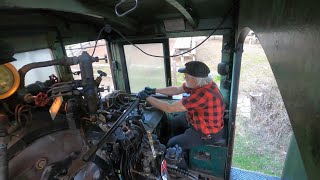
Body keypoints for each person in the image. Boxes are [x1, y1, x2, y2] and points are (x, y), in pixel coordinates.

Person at [137, 61, 225, 150]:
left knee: (172, 144)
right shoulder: (202, 83)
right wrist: (154, 90)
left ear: (195, 79)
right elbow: (177, 90)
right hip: (198, 119)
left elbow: (169, 108)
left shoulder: (203, 94)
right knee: (176, 121)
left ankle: (179, 158)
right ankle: (178, 141)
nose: (184, 79)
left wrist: (147, 98)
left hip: (206, 134)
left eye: (186, 77)